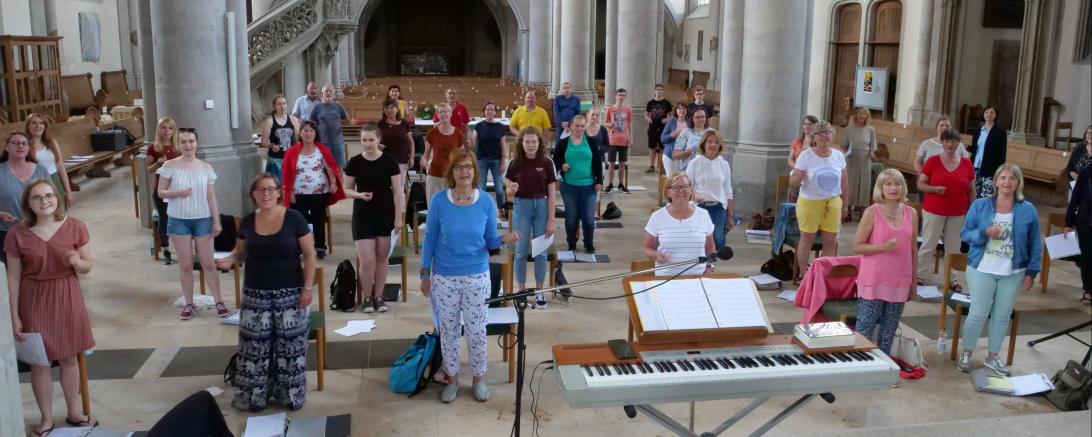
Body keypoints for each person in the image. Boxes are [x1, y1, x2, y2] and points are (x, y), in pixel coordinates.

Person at [420, 150, 521, 404]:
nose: (464, 172)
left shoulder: (486, 201)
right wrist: (424, 272)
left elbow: (490, 242)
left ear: (475, 172)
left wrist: (504, 241)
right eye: (459, 168)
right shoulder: (439, 201)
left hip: (477, 274)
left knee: (476, 330)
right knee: (449, 330)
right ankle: (451, 378)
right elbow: (430, 239)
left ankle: (478, 378)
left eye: (468, 167)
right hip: (444, 276)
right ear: (451, 173)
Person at [216, 173, 316, 411]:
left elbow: (310, 254)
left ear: (279, 192)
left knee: (289, 350)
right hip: (255, 295)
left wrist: (308, 287)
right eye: (260, 189)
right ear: (253, 195)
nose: (266, 194)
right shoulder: (248, 221)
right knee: (254, 350)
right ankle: (254, 397)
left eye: (270, 189)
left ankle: (290, 396)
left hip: (290, 293)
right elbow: (239, 251)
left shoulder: (294, 218)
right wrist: (229, 260)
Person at [6, 179, 95, 436]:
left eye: (49, 195)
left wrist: (78, 262)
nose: (44, 201)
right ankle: (46, 419)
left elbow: (88, 265)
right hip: (34, 298)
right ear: (28, 204)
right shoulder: (17, 234)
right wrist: (14, 315)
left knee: (69, 358)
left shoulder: (75, 226)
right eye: (37, 198)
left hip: (67, 294)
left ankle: (74, 411)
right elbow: (12, 277)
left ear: (58, 198)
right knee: (39, 362)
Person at [957, 164, 1041, 376]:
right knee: (977, 313)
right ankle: (966, 352)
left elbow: (1035, 244)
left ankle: (993, 357)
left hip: (1013, 272)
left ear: (1018, 183)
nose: (1007, 182)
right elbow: (966, 234)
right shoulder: (980, 205)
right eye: (1003, 177)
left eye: (1012, 178)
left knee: (1002, 316)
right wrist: (985, 233)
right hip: (982, 268)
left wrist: (1032, 272)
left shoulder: (1028, 209)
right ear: (995, 181)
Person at [157, 128, 229, 320]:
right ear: (178, 144)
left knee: (209, 264)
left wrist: (216, 221)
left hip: (202, 219)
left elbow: (210, 196)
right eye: (183, 142)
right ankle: (188, 304)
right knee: (186, 265)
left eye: (191, 141)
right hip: (178, 220)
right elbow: (160, 192)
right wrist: (177, 193)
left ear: (196, 143)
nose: (188, 145)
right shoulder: (170, 165)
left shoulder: (205, 167)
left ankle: (219, 301)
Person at [853, 169, 918, 354]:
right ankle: (859, 366)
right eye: (888, 184)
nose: (893, 188)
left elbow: (913, 250)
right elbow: (857, 246)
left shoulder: (911, 213)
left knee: (889, 331)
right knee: (865, 328)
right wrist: (882, 247)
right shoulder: (871, 212)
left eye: (897, 184)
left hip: (900, 280)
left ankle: (884, 366)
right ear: (880, 188)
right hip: (874, 279)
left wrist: (914, 282)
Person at [344, 125, 404, 313]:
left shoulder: (389, 161)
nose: (368, 144)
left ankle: (379, 296)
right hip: (362, 214)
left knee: (381, 257)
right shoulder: (355, 162)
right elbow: (346, 190)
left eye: (371, 140)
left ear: (378, 140)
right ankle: (367, 297)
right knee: (367, 259)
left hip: (385, 214)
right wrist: (359, 195)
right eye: (364, 140)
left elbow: (398, 192)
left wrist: (398, 217)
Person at [504, 127, 557, 308]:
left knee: (540, 251)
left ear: (539, 143)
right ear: (522, 143)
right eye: (527, 142)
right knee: (520, 250)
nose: (531, 145)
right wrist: (510, 190)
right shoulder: (515, 163)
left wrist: (551, 219)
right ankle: (521, 290)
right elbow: (508, 193)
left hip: (542, 206)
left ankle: (540, 291)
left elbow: (552, 194)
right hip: (522, 206)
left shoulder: (548, 162)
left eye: (534, 141)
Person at [790, 121, 848, 281]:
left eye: (828, 132)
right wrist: (799, 176)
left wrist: (844, 206)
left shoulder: (838, 156)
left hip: (833, 202)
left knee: (830, 241)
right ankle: (804, 274)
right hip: (810, 202)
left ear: (832, 135)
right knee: (807, 239)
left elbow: (844, 183)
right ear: (814, 137)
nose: (824, 136)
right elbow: (793, 183)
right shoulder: (806, 156)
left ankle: (824, 275)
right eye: (820, 133)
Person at [917, 128, 975, 286]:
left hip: (957, 212)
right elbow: (920, 184)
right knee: (929, 243)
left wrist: (972, 209)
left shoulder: (966, 163)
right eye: (947, 141)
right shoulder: (933, 161)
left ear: (958, 143)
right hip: (934, 210)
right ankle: (920, 276)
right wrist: (934, 189)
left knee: (954, 247)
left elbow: (971, 189)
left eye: (953, 141)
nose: (950, 144)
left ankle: (952, 278)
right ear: (942, 143)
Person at [282, 120, 346, 259]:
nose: (308, 133)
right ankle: (299, 247)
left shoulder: (321, 149)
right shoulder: (293, 151)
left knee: (319, 219)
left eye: (311, 130)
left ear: (316, 133)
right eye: (305, 130)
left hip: (319, 191)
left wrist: (333, 182)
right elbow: (286, 172)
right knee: (299, 221)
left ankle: (320, 246)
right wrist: (289, 191)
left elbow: (330, 166)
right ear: (300, 133)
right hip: (298, 193)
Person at [643, 173, 715, 277]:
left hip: (698, 277)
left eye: (685, 186)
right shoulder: (657, 216)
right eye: (675, 187)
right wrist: (656, 255)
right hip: (665, 278)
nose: (681, 190)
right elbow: (647, 247)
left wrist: (709, 267)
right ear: (668, 192)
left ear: (690, 190)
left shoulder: (703, 215)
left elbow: (710, 247)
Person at [554, 115, 603, 253]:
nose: (580, 128)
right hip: (569, 185)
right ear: (570, 126)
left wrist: (599, 181)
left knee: (588, 218)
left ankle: (588, 243)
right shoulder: (563, 143)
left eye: (582, 126)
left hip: (589, 185)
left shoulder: (591, 142)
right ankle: (571, 242)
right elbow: (555, 160)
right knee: (571, 217)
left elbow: (597, 162)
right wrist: (562, 165)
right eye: (577, 125)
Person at [0, 132, 51, 264]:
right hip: (7, 232)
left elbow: (52, 197)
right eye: (15, 143)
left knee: (39, 269)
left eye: (24, 143)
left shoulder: (40, 170)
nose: (20, 146)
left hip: (38, 229)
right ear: (6, 147)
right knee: (12, 273)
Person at [686, 130, 734, 251]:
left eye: (716, 142)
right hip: (699, 207)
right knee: (699, 241)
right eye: (710, 142)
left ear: (720, 146)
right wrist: (694, 195)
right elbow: (687, 186)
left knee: (718, 240)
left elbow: (728, 191)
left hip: (718, 208)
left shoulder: (724, 164)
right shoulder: (695, 162)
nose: (713, 145)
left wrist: (730, 216)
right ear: (703, 144)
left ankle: (711, 266)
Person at [147, 117, 182, 265]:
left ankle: (183, 248)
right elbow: (148, 170)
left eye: (170, 128)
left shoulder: (179, 147)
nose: (167, 131)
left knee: (181, 218)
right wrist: (157, 163)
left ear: (174, 131)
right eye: (164, 128)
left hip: (177, 188)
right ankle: (166, 249)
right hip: (161, 189)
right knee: (164, 218)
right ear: (159, 130)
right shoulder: (153, 148)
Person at [26, 113, 73, 209]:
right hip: (36, 182)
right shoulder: (25, 145)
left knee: (59, 213)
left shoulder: (52, 142)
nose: (38, 126)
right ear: (28, 126)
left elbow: (61, 167)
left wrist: (68, 191)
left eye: (41, 123)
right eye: (33, 123)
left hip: (54, 180)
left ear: (45, 126)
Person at [423, 103, 466, 202]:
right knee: (433, 205)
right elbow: (426, 155)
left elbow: (462, 156)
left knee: (452, 206)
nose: (443, 114)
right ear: (437, 115)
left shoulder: (458, 133)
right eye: (440, 112)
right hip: (435, 174)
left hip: (452, 175)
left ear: (450, 114)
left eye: (446, 111)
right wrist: (425, 162)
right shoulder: (432, 133)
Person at [471, 102, 509, 209]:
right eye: (487, 109)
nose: (490, 111)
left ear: (495, 112)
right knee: (481, 187)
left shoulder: (500, 127)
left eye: (492, 110)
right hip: (482, 160)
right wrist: (469, 139)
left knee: (499, 187)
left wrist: (503, 162)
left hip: (496, 160)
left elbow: (503, 145)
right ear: (484, 112)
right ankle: (481, 209)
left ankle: (501, 209)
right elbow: (473, 142)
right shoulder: (479, 126)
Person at [843, 107, 877, 220]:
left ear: (867, 116)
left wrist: (872, 154)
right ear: (856, 114)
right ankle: (848, 212)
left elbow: (872, 147)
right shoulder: (849, 129)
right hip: (852, 158)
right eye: (861, 113)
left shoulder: (871, 129)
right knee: (851, 184)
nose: (862, 116)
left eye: (865, 114)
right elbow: (844, 145)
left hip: (865, 158)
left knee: (864, 185)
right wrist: (847, 153)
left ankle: (863, 212)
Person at [1064, 166, 1091, 304]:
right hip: (1087, 222)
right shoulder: (1087, 172)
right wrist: (1068, 223)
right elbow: (1075, 198)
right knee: (1087, 257)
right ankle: (1088, 290)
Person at [968, 105, 1008, 198]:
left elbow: (1002, 153)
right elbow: (975, 148)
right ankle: (975, 211)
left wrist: (999, 171)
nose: (989, 114)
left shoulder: (1000, 132)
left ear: (995, 115)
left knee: (987, 195)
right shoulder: (978, 131)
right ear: (983, 115)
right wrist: (967, 147)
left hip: (990, 168)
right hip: (975, 166)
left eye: (991, 112)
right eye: (986, 112)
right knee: (974, 193)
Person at [308, 84, 350, 169]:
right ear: (322, 94)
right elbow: (311, 123)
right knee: (324, 166)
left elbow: (347, 119)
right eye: (326, 91)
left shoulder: (338, 106)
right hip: (323, 141)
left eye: (330, 91)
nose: (328, 93)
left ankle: (340, 182)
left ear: (333, 94)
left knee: (339, 166)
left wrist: (338, 123)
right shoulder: (317, 107)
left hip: (338, 141)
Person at [259, 94, 300, 179]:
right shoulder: (269, 121)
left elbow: (298, 141)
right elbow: (263, 143)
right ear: (274, 106)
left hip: (290, 158)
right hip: (275, 159)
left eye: (284, 103)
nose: (282, 106)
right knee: (276, 185)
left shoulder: (293, 120)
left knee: (291, 185)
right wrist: (271, 145)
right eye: (279, 104)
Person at [377, 99, 415, 186]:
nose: (389, 110)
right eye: (386, 108)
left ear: (397, 109)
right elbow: (375, 140)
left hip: (402, 160)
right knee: (385, 186)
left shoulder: (404, 124)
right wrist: (377, 145)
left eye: (391, 108)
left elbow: (411, 142)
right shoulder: (380, 124)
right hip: (384, 160)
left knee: (399, 187)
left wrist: (412, 158)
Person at [604, 88, 633, 193]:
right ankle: (610, 184)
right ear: (615, 96)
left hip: (624, 139)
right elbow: (606, 122)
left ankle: (621, 184)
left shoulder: (628, 109)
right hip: (612, 139)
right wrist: (609, 125)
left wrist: (630, 138)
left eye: (623, 95)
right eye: (619, 95)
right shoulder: (610, 109)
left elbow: (629, 124)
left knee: (622, 163)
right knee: (611, 163)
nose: (621, 97)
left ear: (625, 97)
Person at [787, 115, 819, 203]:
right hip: (797, 175)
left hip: (812, 177)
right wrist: (797, 168)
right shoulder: (797, 141)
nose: (807, 126)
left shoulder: (818, 142)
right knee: (793, 202)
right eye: (805, 124)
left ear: (816, 126)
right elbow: (790, 159)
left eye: (810, 124)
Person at [672, 108, 712, 173]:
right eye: (697, 117)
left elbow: (719, 151)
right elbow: (675, 155)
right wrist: (685, 153)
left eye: (702, 117)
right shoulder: (686, 132)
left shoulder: (712, 132)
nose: (700, 119)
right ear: (692, 119)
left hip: (707, 172)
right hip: (688, 171)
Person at [645, 84, 672, 174]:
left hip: (663, 128)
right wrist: (648, 119)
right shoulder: (650, 103)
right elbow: (646, 113)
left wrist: (666, 119)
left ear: (663, 91)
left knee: (662, 148)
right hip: (652, 127)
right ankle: (651, 166)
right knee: (652, 147)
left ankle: (662, 166)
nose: (659, 91)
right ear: (655, 91)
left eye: (661, 89)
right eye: (657, 89)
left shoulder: (667, 103)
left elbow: (671, 116)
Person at [660, 103, 689, 178]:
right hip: (670, 154)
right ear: (676, 111)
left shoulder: (691, 122)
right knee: (672, 180)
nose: (681, 110)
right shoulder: (672, 121)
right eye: (679, 108)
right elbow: (662, 139)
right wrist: (673, 134)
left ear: (687, 110)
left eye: (684, 108)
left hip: (685, 156)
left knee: (684, 180)